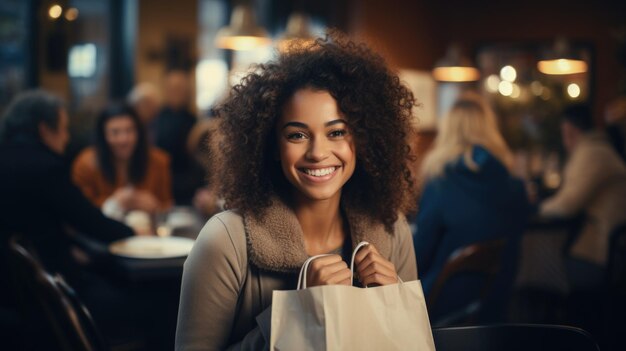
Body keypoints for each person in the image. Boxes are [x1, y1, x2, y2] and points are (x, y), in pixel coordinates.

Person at [175, 32, 418, 350]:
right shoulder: (224, 241)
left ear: (362, 139)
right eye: (297, 135)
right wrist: (297, 315)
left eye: (336, 132)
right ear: (273, 145)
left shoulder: (392, 228)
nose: (318, 152)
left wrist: (396, 303)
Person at [0, 91, 135, 348]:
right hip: (49, 297)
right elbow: (93, 223)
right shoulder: (45, 167)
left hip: (12, 291)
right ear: (44, 129)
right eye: (62, 129)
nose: (67, 137)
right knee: (140, 301)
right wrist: (132, 232)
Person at [414, 93, 530, 322]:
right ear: (490, 129)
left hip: (439, 307)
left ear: (448, 131)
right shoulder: (515, 188)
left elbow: (417, 259)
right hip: (496, 307)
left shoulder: (441, 183)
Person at [540, 103, 626, 288]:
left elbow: (567, 205)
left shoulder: (592, 153)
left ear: (570, 130)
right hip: (608, 247)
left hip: (604, 252)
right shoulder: (596, 149)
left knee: (542, 266)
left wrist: (535, 208)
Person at [72, 103, 173, 224]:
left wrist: (155, 206)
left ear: (139, 133)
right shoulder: (85, 164)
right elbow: (80, 211)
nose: (123, 139)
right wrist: (114, 202)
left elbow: (167, 207)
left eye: (129, 130)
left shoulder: (159, 161)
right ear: (103, 135)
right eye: (115, 132)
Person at [151, 69, 205, 205]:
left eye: (180, 88)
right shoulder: (156, 120)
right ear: (166, 89)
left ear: (187, 91)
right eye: (172, 87)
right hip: (159, 183)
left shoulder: (195, 122)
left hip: (188, 187)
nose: (176, 92)